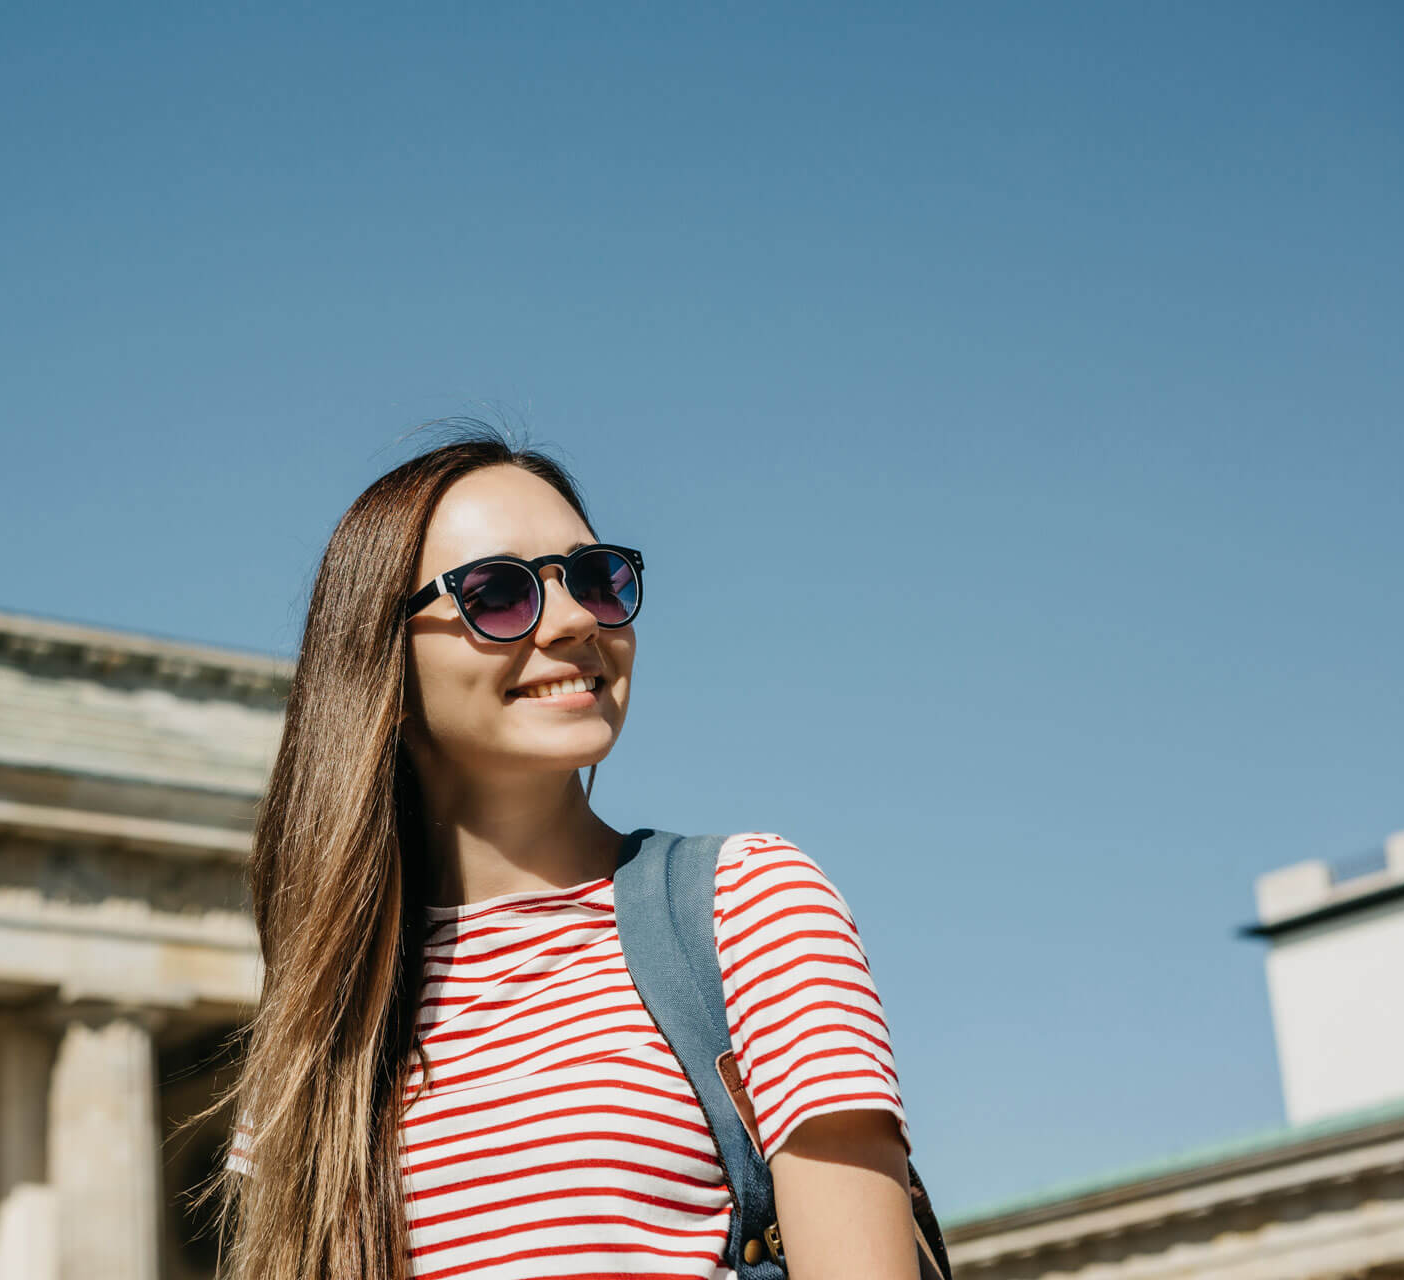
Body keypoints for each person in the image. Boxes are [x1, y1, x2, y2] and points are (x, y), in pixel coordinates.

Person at [219, 429, 918, 1279]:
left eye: (595, 579)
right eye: (498, 594)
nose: (579, 620)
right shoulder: (322, 1030)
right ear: (382, 666)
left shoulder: (749, 906)